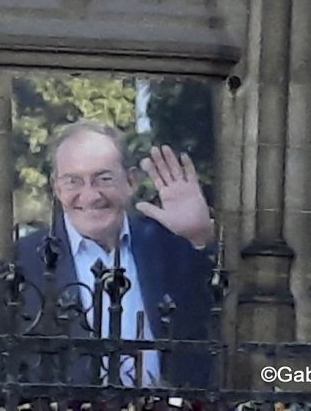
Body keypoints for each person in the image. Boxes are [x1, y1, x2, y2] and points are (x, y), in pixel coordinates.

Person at [14, 120, 217, 389]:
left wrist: (199, 239)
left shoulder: (167, 245)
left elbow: (210, 315)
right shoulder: (23, 260)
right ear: (56, 187)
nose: (90, 195)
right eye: (73, 181)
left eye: (104, 178)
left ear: (131, 181)